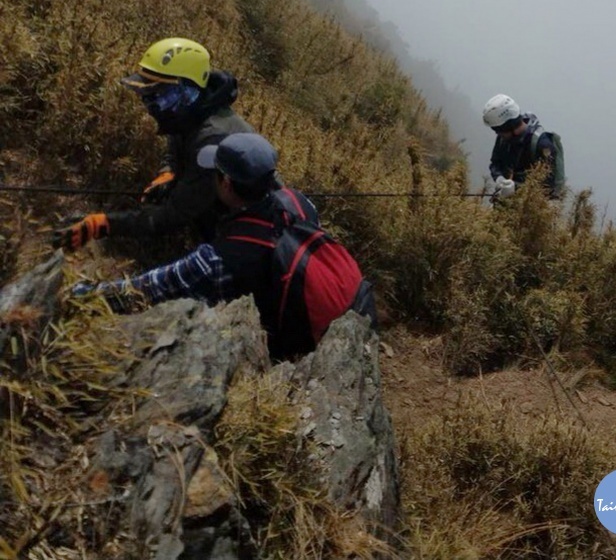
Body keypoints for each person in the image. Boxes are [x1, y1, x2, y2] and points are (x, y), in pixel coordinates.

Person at [72, 133, 377, 360]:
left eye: (215, 174)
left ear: (227, 185)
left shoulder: (220, 260)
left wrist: (77, 296)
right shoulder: (299, 202)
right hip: (347, 319)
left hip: (293, 350)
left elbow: (148, 289)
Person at [52, 37, 256, 251]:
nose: (151, 106)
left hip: (250, 238)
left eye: (159, 95)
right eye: (147, 96)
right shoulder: (188, 112)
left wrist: (102, 225)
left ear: (187, 91)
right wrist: (167, 172)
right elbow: (175, 150)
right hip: (214, 202)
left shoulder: (212, 141)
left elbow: (170, 217)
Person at [483, 94, 565, 200]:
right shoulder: (504, 139)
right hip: (508, 202)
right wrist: (499, 178)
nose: (497, 134)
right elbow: (495, 163)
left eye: (498, 130)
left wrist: (515, 189)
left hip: (535, 208)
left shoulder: (542, 145)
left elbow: (548, 188)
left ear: (510, 126)